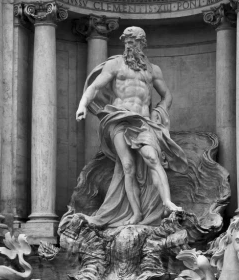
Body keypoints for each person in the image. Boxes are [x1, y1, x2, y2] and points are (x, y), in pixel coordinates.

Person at [75, 27, 188, 227]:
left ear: (142, 43)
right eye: (126, 41)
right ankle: (136, 214)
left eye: (133, 41)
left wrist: (159, 111)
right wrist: (82, 105)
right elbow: (95, 87)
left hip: (143, 121)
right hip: (118, 119)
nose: (129, 45)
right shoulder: (115, 64)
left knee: (153, 158)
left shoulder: (153, 70)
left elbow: (167, 95)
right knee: (127, 166)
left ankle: (167, 202)